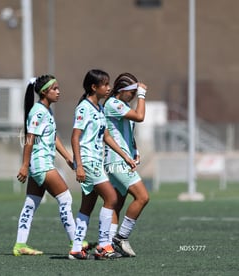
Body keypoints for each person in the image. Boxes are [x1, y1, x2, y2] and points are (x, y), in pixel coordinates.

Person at [69, 69, 136, 260]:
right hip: (88, 162)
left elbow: (106, 136)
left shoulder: (98, 109)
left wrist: (125, 156)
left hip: (95, 161)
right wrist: (79, 165)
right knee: (112, 198)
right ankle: (104, 246)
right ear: (94, 87)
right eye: (105, 84)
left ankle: (76, 249)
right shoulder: (84, 107)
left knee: (87, 206)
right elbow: (75, 137)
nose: (108, 88)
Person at [13, 74, 81, 256]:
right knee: (65, 199)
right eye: (55, 89)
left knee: (30, 203)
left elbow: (53, 137)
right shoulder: (38, 111)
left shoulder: (46, 110)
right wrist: (24, 166)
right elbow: (29, 139)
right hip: (41, 164)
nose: (59, 92)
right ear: (44, 92)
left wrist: (67, 156)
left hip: (39, 165)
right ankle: (76, 243)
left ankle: (20, 245)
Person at [103, 72, 149, 257]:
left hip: (122, 161)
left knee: (116, 204)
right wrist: (142, 95)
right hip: (116, 161)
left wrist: (135, 151)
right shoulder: (114, 104)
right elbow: (140, 117)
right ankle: (121, 237)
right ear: (121, 91)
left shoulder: (122, 104)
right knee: (142, 197)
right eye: (131, 92)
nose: (132, 95)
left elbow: (128, 132)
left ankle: (107, 244)